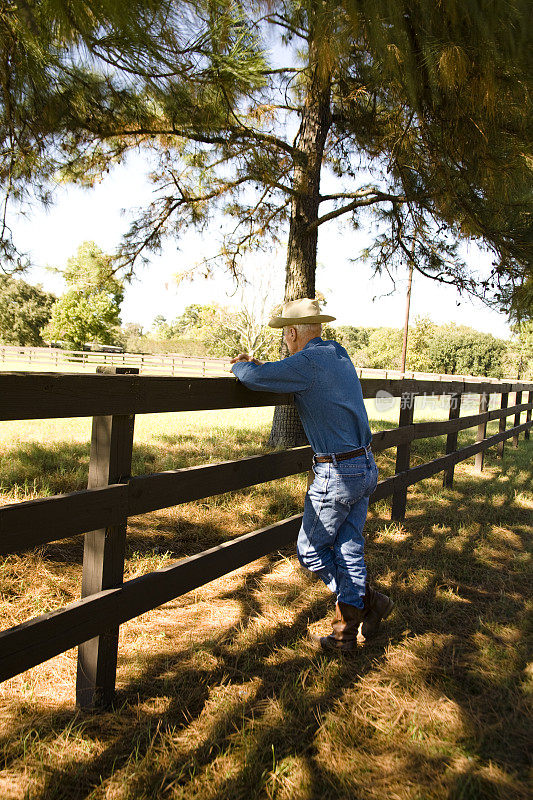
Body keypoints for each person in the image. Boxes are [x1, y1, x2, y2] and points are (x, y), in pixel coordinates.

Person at [230, 298, 393, 653]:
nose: (286, 342)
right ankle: (348, 633)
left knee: (310, 549)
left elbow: (256, 378)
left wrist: (242, 368)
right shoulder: (337, 354)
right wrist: (271, 366)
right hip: (365, 466)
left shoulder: (306, 362)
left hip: (338, 472)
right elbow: (288, 371)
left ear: (291, 332)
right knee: (349, 548)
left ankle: (365, 604)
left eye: (285, 337)